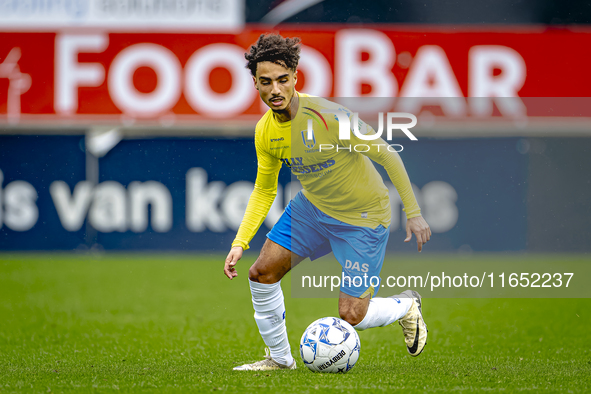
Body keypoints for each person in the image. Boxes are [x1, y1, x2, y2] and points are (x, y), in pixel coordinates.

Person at [224, 33, 431, 371]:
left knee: (352, 314)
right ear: (255, 84)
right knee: (261, 273)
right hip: (312, 210)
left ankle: (405, 305)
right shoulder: (265, 131)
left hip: (363, 218)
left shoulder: (329, 117)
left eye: (281, 80)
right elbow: (264, 189)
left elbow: (387, 155)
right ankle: (279, 360)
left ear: (294, 78)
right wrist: (240, 241)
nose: (274, 89)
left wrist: (414, 213)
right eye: (265, 82)